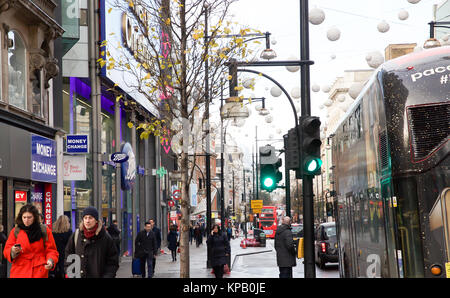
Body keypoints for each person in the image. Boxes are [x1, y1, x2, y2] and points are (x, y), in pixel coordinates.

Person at [3, 204, 59, 278]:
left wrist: (50, 261)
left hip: (39, 271)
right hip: (19, 270)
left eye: (29, 217)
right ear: (21, 217)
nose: (26, 220)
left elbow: (51, 250)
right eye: (24, 217)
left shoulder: (44, 230)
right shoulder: (15, 231)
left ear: (35, 217)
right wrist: (12, 251)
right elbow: (6, 250)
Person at [64, 206, 119, 278]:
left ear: (96, 220)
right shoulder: (76, 235)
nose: (87, 221)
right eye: (85, 218)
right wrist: (71, 274)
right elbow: (69, 256)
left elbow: (112, 262)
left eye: (90, 218)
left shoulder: (105, 238)